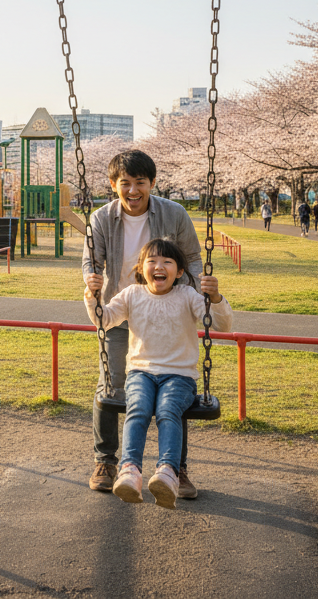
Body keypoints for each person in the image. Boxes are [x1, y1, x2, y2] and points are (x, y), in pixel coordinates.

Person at [82, 149, 202, 498]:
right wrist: (91, 282)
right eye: (125, 184)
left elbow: (192, 257)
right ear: (112, 185)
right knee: (111, 384)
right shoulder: (102, 218)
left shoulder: (173, 213)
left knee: (173, 388)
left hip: (164, 305)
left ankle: (176, 469)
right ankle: (105, 459)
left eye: (140, 183)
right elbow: (92, 260)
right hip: (121, 305)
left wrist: (192, 297)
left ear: (151, 183)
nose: (133, 191)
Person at [85, 238, 233, 509]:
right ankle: (130, 471)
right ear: (141, 268)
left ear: (178, 272)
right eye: (152, 261)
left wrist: (215, 298)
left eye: (167, 261)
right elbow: (103, 319)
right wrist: (92, 295)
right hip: (141, 372)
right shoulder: (132, 294)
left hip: (179, 376)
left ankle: (167, 472)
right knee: (138, 408)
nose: (159, 266)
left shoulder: (188, 296)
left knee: (167, 410)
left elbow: (221, 324)